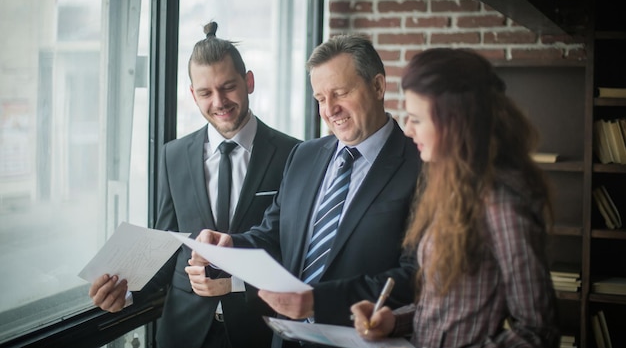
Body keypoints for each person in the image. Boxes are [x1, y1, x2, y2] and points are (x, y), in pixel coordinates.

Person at [187, 34, 422, 348]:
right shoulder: (304, 156)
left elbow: (416, 275)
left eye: (340, 93)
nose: (330, 110)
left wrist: (318, 302)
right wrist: (229, 247)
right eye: (320, 98)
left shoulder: (421, 167)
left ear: (378, 86)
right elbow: (274, 236)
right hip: (287, 340)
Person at [88, 21, 301, 348]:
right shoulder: (173, 155)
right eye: (205, 92)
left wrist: (238, 282)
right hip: (183, 333)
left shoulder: (294, 154)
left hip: (259, 331)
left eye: (228, 86)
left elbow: (294, 252)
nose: (219, 101)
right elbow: (168, 244)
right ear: (192, 95)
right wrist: (125, 290)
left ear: (249, 81)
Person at [350, 48, 560, 348]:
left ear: (457, 121)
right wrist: (395, 321)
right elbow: (449, 307)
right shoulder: (451, 184)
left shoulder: (500, 203)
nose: (407, 130)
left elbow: (538, 332)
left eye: (416, 119)